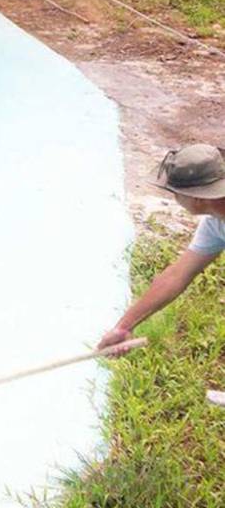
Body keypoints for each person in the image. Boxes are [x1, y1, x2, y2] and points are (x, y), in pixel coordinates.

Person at [98, 144, 224, 365]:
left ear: (197, 198)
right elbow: (176, 275)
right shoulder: (216, 223)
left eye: (175, 193)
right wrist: (124, 327)